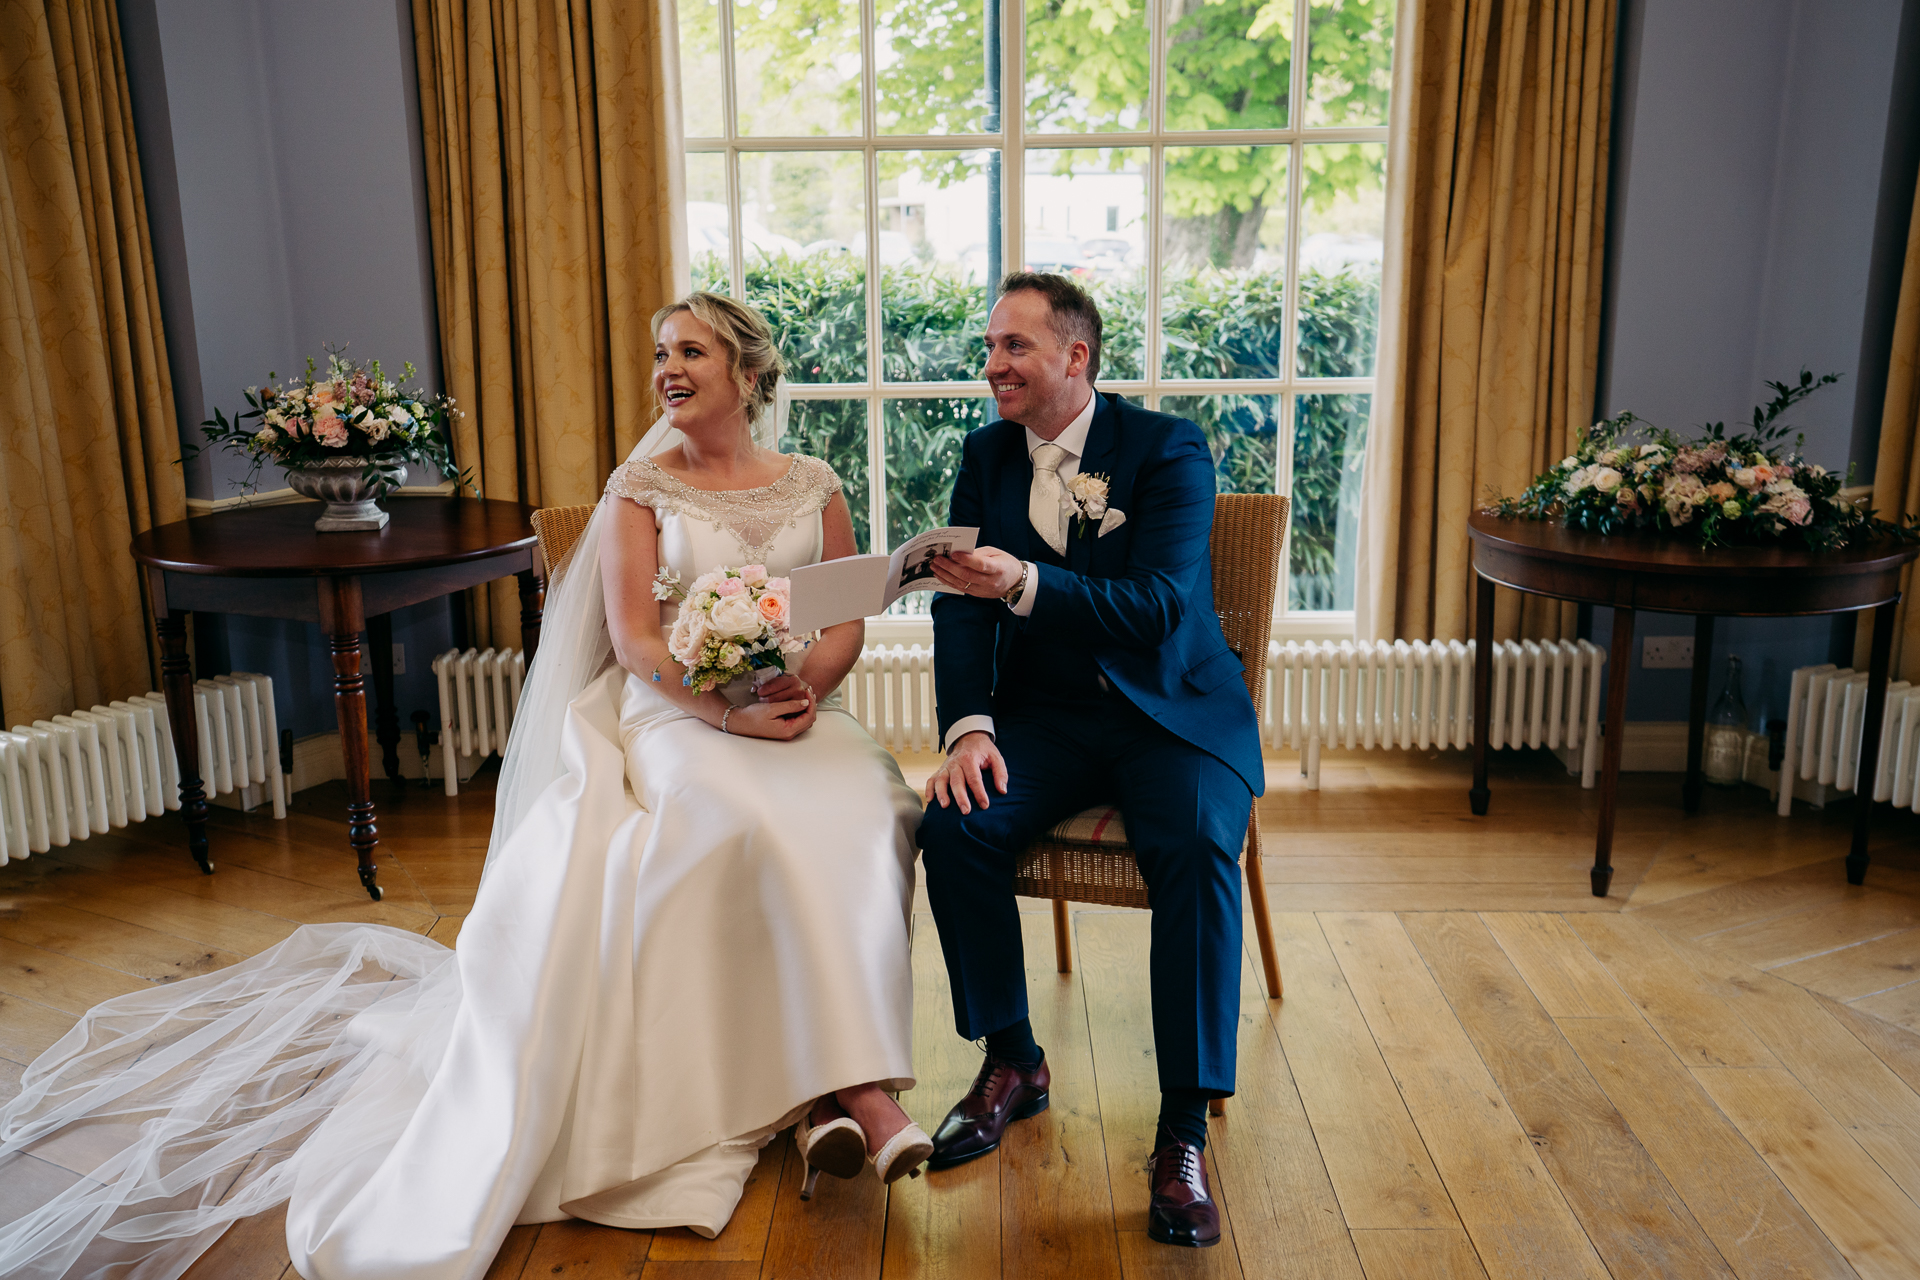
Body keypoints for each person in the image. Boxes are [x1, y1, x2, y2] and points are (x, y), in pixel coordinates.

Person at [0, 293, 929, 1280]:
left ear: (747, 372)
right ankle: (863, 1091)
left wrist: (799, 690)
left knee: (872, 807)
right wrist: (729, 712)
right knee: (735, 818)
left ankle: (824, 1091)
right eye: (661, 351)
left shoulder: (814, 482)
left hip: (794, 709)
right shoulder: (638, 489)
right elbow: (638, 644)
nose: (668, 367)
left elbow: (841, 618)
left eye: (691, 350)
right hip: (679, 716)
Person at [917, 272, 1263, 1249]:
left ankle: (1183, 1131)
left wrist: (1025, 578)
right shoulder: (985, 455)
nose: (992, 367)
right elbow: (957, 604)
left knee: (1198, 849)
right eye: (989, 348)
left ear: (1076, 356)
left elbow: (1158, 604)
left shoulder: (1167, 448)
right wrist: (970, 725)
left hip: (1173, 713)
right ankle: (1012, 1058)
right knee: (953, 821)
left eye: (1014, 348)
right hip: (1049, 719)